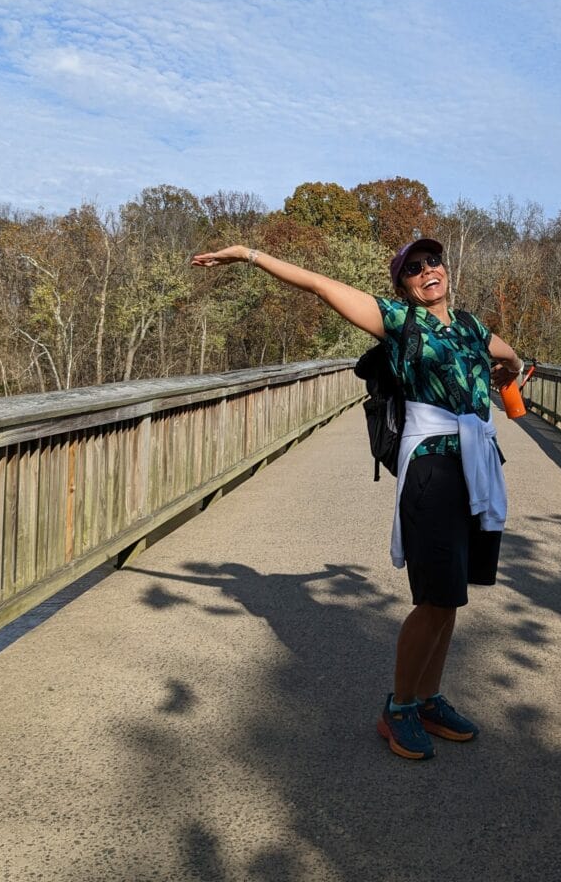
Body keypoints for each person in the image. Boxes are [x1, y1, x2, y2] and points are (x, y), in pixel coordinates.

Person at [191, 238, 524, 761]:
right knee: (433, 598)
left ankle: (430, 700)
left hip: (477, 467)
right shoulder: (398, 321)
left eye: (433, 261)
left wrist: (516, 366)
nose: (426, 271)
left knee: (452, 595)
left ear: (446, 268)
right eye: (413, 269)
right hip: (433, 469)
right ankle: (398, 710)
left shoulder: (470, 325)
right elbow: (320, 286)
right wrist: (250, 255)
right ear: (403, 286)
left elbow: (504, 352)